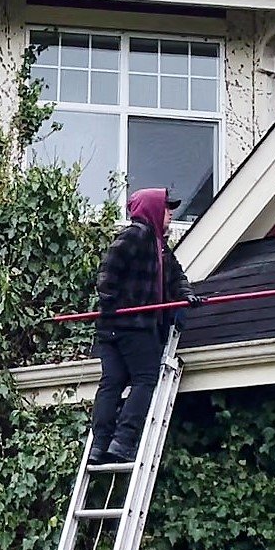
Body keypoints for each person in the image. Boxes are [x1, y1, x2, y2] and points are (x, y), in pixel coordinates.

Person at [89, 187, 192, 465]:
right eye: (167, 210)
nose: (170, 216)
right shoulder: (135, 236)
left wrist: (185, 297)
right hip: (131, 326)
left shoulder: (159, 248)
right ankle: (123, 441)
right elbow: (107, 275)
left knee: (112, 383)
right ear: (153, 210)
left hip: (113, 327)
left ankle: (99, 445)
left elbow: (176, 276)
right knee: (145, 379)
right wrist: (116, 307)